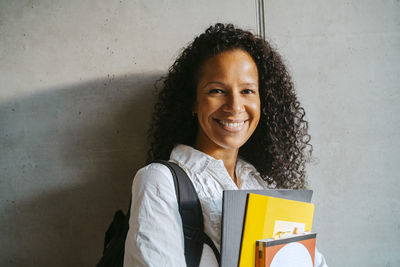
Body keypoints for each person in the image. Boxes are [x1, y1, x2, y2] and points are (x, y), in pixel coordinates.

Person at [123, 23, 328, 266]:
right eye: (217, 91)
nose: (235, 106)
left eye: (248, 91)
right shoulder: (159, 181)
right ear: (193, 101)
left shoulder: (263, 184)